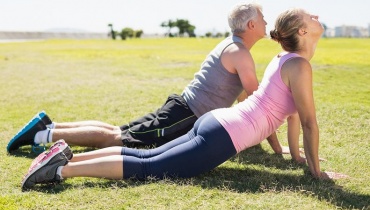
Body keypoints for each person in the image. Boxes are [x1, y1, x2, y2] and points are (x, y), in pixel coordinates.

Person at [21, 8, 349, 189]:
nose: (316, 15)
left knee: (149, 158)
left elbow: (293, 118)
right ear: (302, 32)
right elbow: (308, 122)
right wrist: (317, 173)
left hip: (216, 122)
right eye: (311, 16)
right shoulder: (299, 65)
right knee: (148, 167)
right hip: (224, 133)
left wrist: (296, 159)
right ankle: (61, 171)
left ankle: (63, 159)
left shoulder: (283, 60)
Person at [7, 2, 282, 154]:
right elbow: (259, 107)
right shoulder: (239, 52)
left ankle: (50, 125)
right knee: (118, 140)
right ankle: (42, 134)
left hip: (182, 108)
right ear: (251, 25)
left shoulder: (232, 46)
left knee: (117, 131)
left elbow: (247, 102)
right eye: (263, 18)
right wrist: (278, 149)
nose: (267, 23)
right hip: (185, 115)